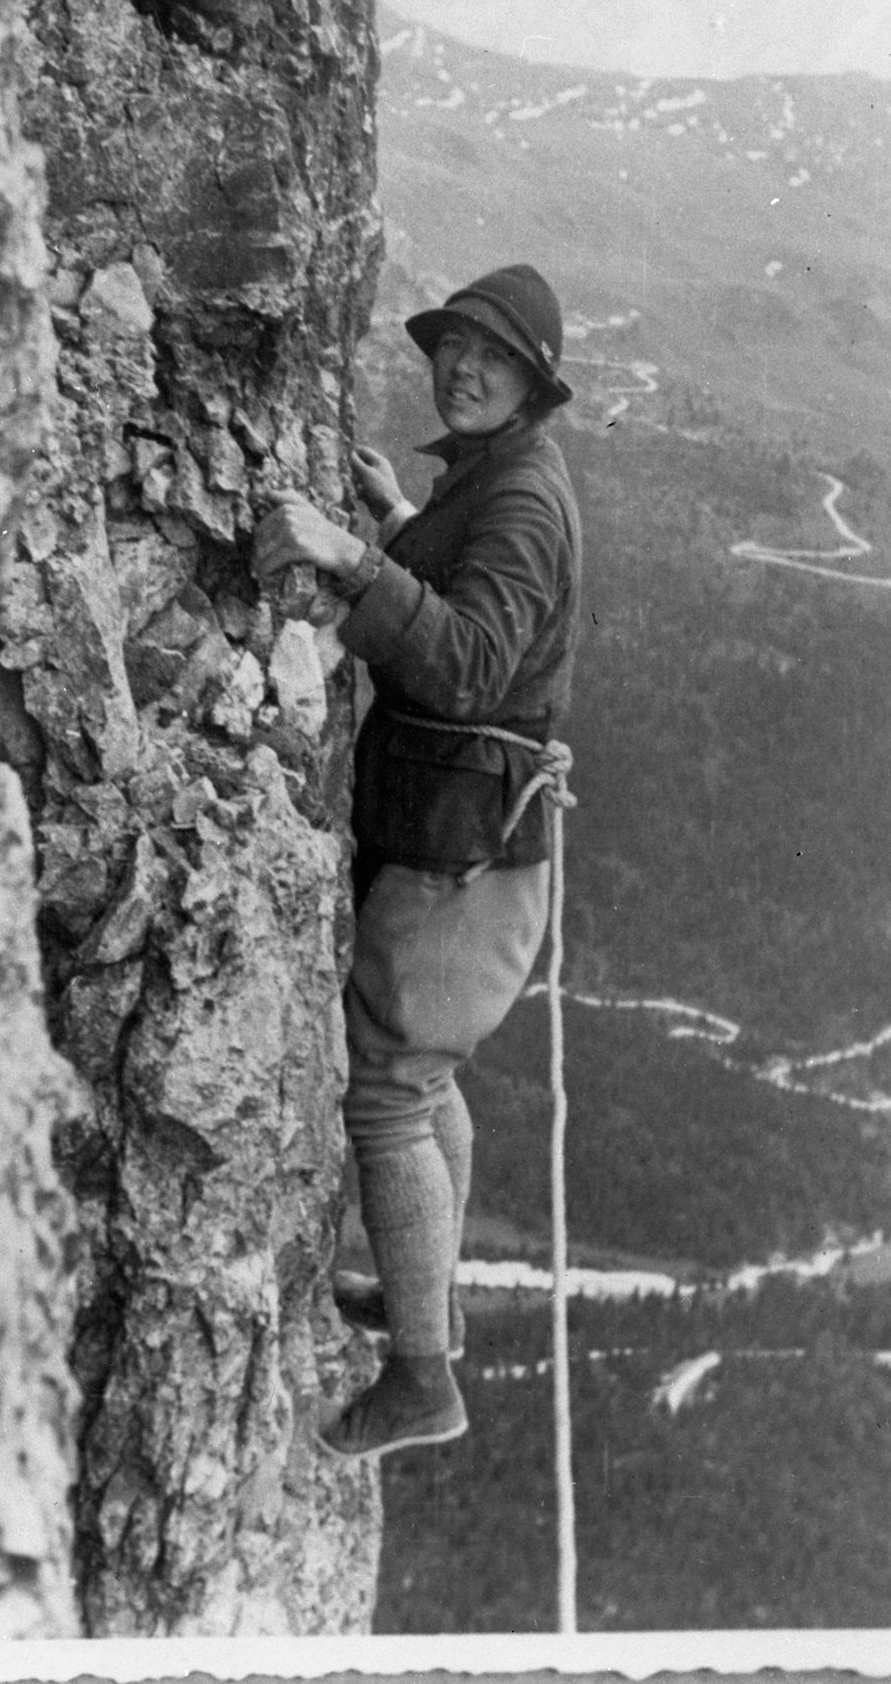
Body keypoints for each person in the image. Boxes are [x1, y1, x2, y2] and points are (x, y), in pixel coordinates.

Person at [254, 264, 582, 1457]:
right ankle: (419, 1293)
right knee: (421, 1080)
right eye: (452, 346)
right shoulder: (495, 478)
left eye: (491, 356)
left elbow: (471, 663)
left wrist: (352, 561)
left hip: (466, 852)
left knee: (390, 1090)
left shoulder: (525, 501)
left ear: (535, 384)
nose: (462, 367)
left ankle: (421, 1376)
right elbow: (467, 597)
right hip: (466, 839)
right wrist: (400, 525)